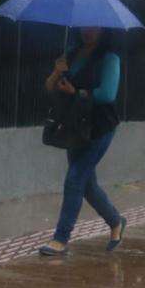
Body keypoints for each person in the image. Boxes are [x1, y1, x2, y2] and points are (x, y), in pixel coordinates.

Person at [39, 27, 126, 256]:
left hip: (100, 127)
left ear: (102, 30)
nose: (87, 31)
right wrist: (57, 72)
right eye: (84, 26)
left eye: (93, 27)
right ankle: (116, 221)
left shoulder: (110, 58)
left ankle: (61, 238)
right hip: (76, 127)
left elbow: (108, 94)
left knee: (75, 179)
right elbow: (49, 88)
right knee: (87, 185)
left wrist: (75, 91)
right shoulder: (70, 53)